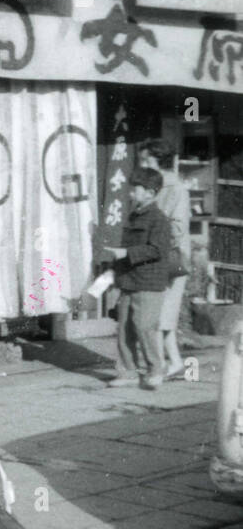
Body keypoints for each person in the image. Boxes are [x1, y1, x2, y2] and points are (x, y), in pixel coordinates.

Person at [104, 167, 174, 391]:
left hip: (150, 283)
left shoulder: (159, 219)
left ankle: (155, 369)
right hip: (129, 280)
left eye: (136, 189)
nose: (131, 193)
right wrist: (115, 272)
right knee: (124, 329)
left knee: (144, 326)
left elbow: (157, 250)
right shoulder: (134, 216)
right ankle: (129, 372)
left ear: (151, 193)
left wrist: (126, 254)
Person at [138, 139, 190, 380]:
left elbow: (178, 229)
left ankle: (159, 366)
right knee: (160, 314)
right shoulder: (153, 186)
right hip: (154, 257)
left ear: (158, 161)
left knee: (159, 314)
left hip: (170, 259)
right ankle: (174, 362)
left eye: (146, 161)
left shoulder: (176, 188)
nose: (142, 166)